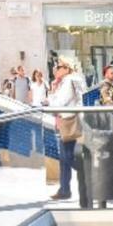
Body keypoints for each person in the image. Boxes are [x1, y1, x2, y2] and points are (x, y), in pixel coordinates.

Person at [38, 56, 85, 202]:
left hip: (68, 121)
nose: (55, 69)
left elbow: (60, 102)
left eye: (58, 67)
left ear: (67, 68)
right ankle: (64, 189)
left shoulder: (68, 81)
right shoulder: (62, 82)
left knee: (67, 157)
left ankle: (87, 173)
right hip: (63, 121)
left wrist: (48, 101)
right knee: (64, 159)